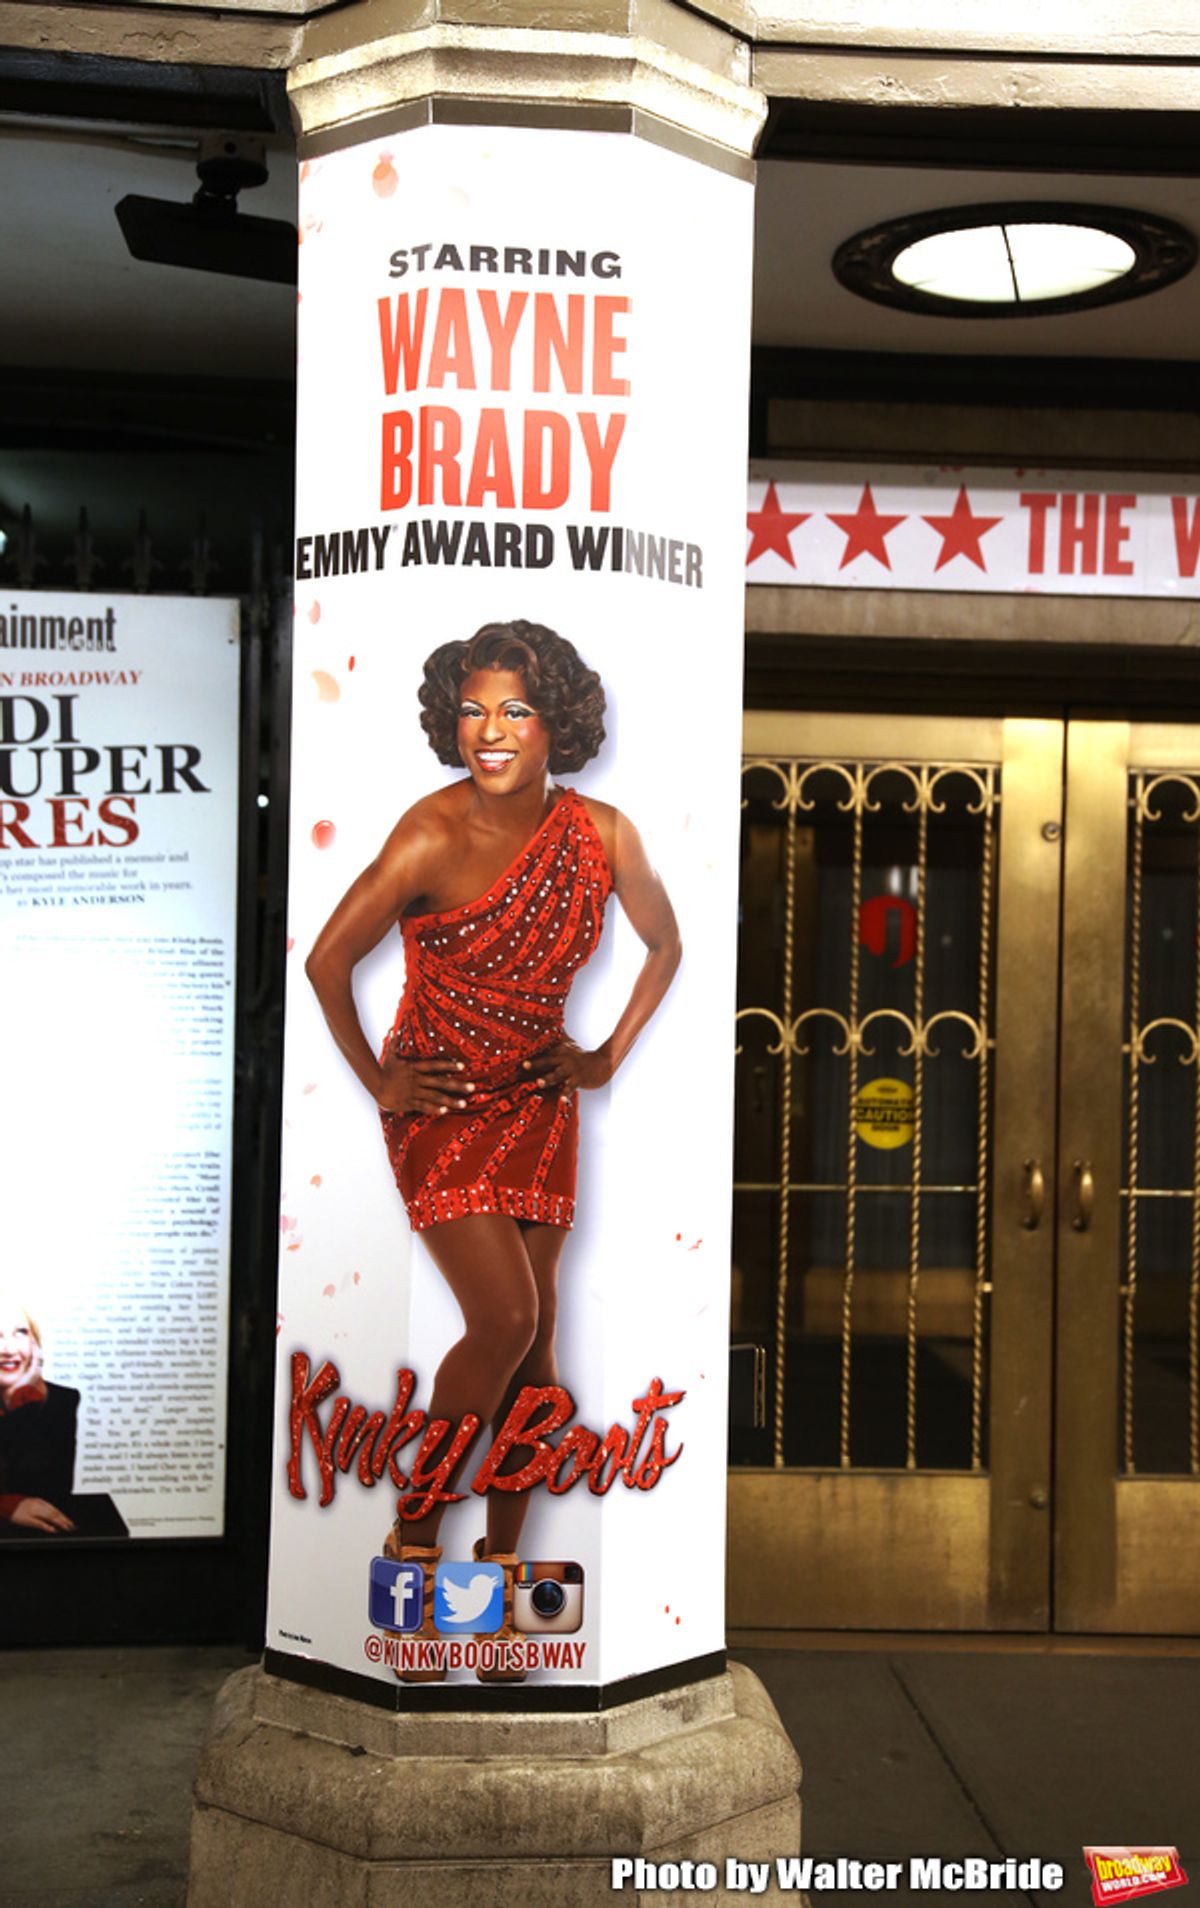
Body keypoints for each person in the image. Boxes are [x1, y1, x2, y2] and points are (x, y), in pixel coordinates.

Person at [305, 618, 681, 1677]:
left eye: (513, 709)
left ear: (556, 718)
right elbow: (329, 962)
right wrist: (384, 1081)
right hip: (440, 1103)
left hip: (539, 1101)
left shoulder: (603, 832)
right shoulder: (428, 832)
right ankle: (416, 1538)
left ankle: (503, 1590)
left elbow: (667, 943)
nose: (490, 730)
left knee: (541, 1343)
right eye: (472, 708)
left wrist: (604, 1055)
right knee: (505, 1316)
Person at [0, 1301, 78, 1534]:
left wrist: (22, 1397)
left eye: (21, 1333)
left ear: (35, 1343)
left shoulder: (61, 1401)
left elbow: (51, 1494)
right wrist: (6, 1506)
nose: (9, 1349)